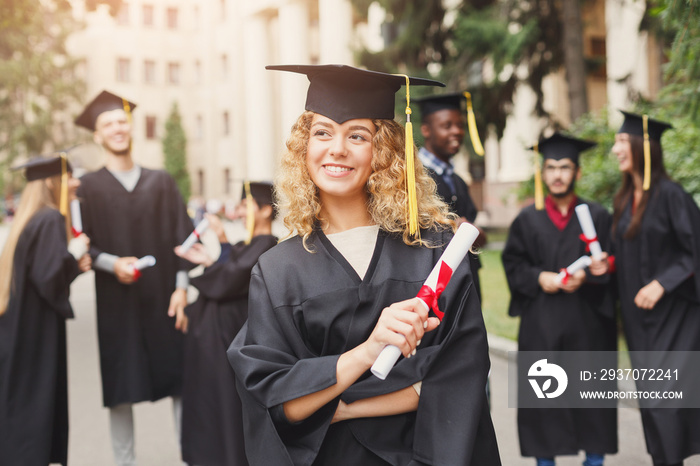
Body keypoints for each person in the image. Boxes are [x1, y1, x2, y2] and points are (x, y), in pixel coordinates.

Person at [227, 64, 501, 465]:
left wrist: (337, 401)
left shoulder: (433, 251)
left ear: (385, 151)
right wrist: (368, 352)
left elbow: (460, 377)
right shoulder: (277, 271)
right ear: (304, 147)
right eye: (322, 132)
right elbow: (277, 402)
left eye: (357, 135)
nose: (337, 148)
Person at [74, 90, 194, 466]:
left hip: (163, 299)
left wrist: (182, 289)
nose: (117, 129)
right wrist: (112, 264)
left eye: (122, 121)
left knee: (178, 380)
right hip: (116, 304)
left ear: (132, 127)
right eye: (108, 124)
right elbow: (82, 246)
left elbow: (184, 240)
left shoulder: (161, 181)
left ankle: (189, 456)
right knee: (121, 387)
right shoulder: (88, 187)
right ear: (97, 135)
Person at [589, 111, 700, 466]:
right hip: (639, 322)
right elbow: (627, 253)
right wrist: (607, 264)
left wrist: (661, 284)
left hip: (675, 319)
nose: (616, 150)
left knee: (666, 401)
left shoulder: (671, 196)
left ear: (643, 146)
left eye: (622, 142)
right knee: (652, 402)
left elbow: (694, 250)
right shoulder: (625, 200)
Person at [502, 133, 617, 466]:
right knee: (543, 400)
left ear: (577, 173)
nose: (557, 174)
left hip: (588, 325)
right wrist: (540, 277)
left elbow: (612, 263)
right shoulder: (527, 219)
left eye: (565, 167)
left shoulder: (597, 215)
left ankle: (594, 461)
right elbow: (513, 263)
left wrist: (594, 272)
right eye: (550, 167)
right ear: (543, 173)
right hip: (543, 324)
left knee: (592, 402)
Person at [176, 182, 278, 466]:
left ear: (265, 210)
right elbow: (228, 268)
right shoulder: (247, 244)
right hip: (212, 339)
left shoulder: (268, 246)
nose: (240, 210)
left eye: (246, 205)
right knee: (207, 405)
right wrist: (216, 252)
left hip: (230, 339)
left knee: (225, 407)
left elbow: (228, 281)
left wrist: (214, 263)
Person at [0, 155, 92, 466]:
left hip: (17, 330)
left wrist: (71, 265)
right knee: (33, 412)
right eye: (71, 176)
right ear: (54, 182)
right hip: (35, 336)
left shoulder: (28, 219)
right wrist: (73, 257)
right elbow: (49, 279)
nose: (76, 182)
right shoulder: (51, 218)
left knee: (17, 407)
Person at [415, 92, 486, 299]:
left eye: (459, 125)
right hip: (430, 286)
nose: (456, 131)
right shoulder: (413, 178)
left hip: (466, 282)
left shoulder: (458, 180)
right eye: (447, 126)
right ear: (426, 130)